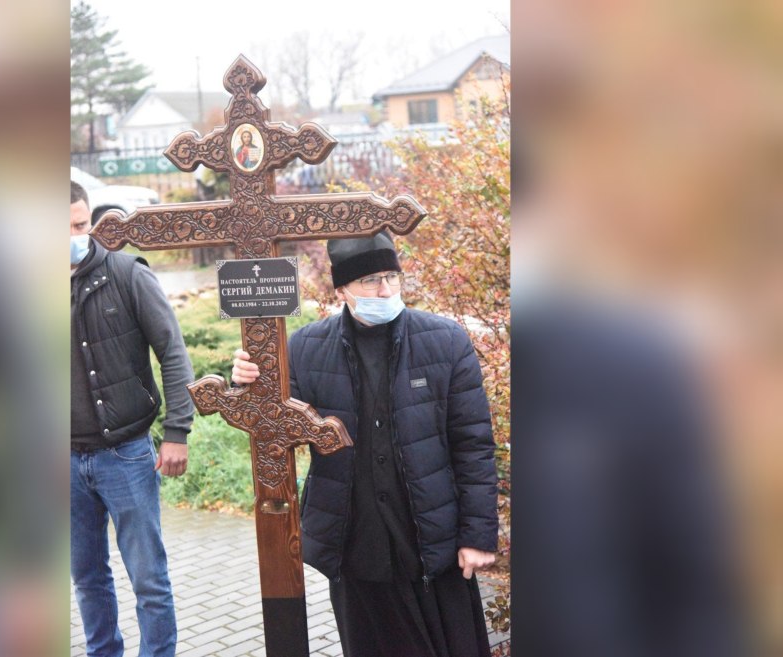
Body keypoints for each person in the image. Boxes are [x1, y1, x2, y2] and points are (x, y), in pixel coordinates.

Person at [232, 231, 498, 657]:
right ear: (342, 289)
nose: (386, 290)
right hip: (356, 541)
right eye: (371, 280)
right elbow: (275, 426)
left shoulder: (445, 341)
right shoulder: (305, 349)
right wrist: (247, 383)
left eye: (392, 277)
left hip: (434, 538)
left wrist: (478, 535)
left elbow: (473, 445)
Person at [71, 181, 195, 657]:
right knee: (87, 578)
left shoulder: (127, 274)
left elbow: (173, 352)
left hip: (125, 455)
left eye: (80, 225)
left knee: (149, 580)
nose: (75, 236)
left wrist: (177, 432)